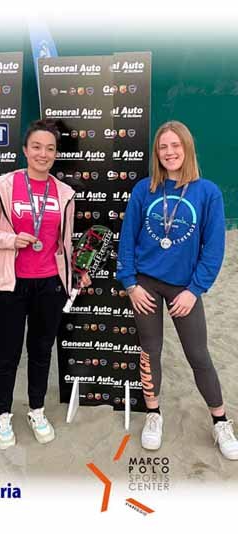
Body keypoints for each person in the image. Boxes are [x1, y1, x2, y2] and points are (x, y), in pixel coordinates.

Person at [116, 120, 237, 460]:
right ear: (157, 153)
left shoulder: (207, 192)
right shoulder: (145, 189)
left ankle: (220, 421)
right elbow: (127, 239)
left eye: (175, 145)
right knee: (150, 350)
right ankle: (153, 414)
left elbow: (214, 249)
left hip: (184, 288)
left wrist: (194, 290)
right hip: (146, 285)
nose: (169, 152)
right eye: (163, 147)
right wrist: (130, 283)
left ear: (187, 148)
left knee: (198, 355)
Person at [0, 119, 82, 450]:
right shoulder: (3, 187)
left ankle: (36, 411)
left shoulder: (64, 194)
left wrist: (73, 272)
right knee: (7, 354)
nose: (43, 154)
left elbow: (65, 244)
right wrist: (10, 240)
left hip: (49, 285)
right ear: (25, 150)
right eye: (36, 147)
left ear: (56, 154)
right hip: (8, 285)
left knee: (41, 351)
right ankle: (3, 415)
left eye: (50, 148)